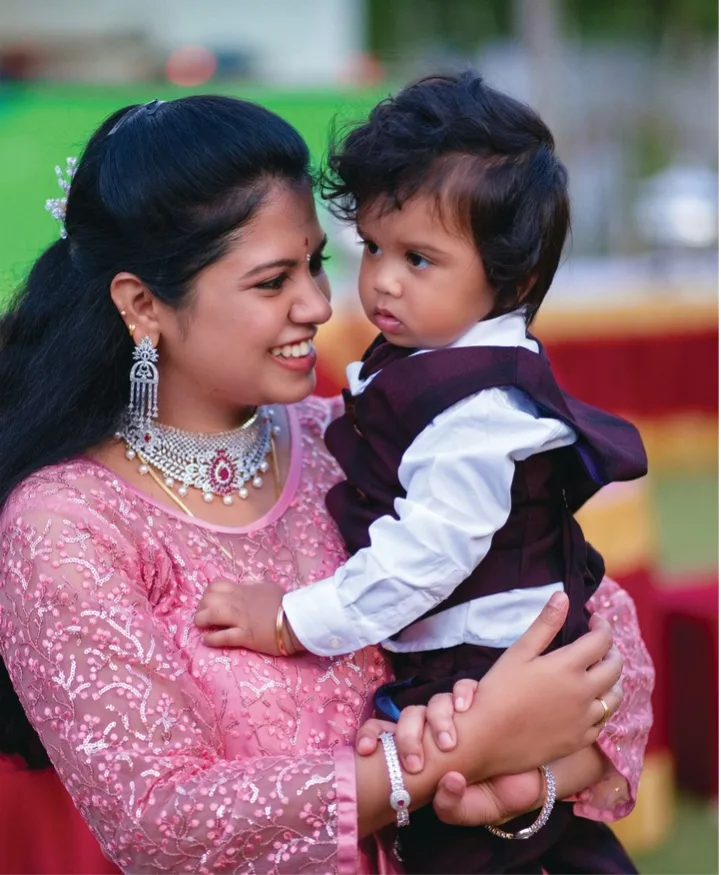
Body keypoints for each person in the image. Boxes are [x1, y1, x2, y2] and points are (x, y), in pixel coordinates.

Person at [0, 95, 650, 875]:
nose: (320, 303)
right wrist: (472, 744)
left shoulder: (345, 436)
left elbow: (591, 620)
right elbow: (161, 822)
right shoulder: (69, 524)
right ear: (143, 305)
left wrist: (531, 782)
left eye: (315, 262)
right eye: (273, 281)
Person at [191, 73, 650, 874]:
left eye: (419, 257)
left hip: (486, 659)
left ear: (510, 279)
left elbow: (422, 557)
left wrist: (287, 620)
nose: (381, 280)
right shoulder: (425, 360)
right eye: (371, 246)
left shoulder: (480, 415)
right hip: (462, 663)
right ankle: (512, 794)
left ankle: (512, 796)